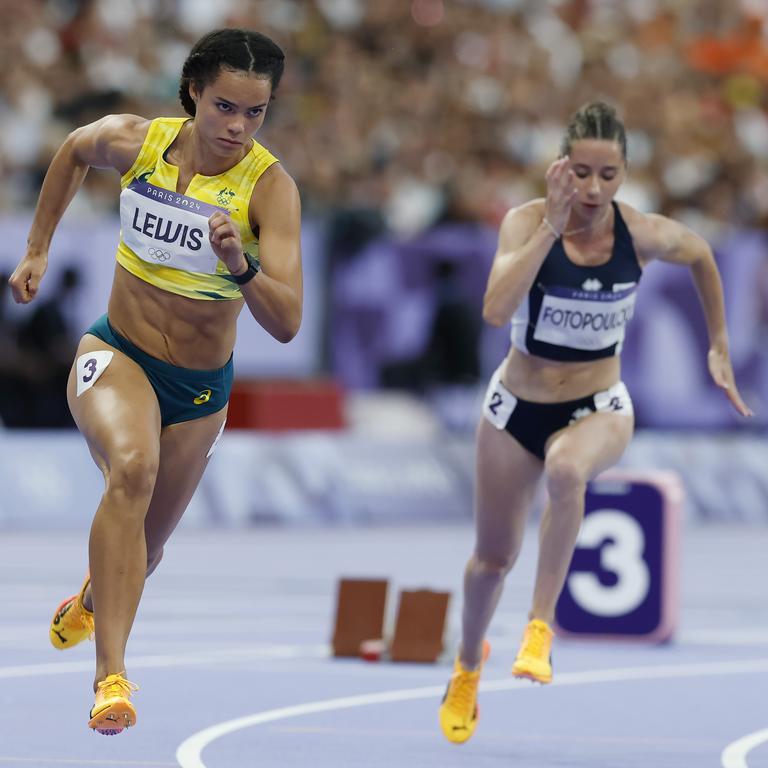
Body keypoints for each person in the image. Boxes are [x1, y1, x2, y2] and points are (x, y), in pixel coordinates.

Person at [9, 28, 302, 736]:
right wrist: (37, 249)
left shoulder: (269, 189)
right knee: (131, 471)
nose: (236, 126)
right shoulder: (137, 143)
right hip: (116, 355)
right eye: (224, 106)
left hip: (200, 391)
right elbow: (74, 149)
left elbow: (288, 322)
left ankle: (90, 597)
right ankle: (111, 676)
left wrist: (240, 264)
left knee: (150, 546)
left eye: (254, 113)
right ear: (193, 91)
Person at [438, 101, 752, 745]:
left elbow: (701, 256)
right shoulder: (525, 222)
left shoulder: (641, 234)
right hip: (515, 408)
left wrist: (718, 342)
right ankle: (468, 666)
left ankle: (540, 627)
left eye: (607, 176)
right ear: (559, 167)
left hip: (598, 405)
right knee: (490, 559)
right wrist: (550, 230)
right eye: (580, 172)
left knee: (567, 468)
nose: (592, 189)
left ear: (625, 173)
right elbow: (496, 311)